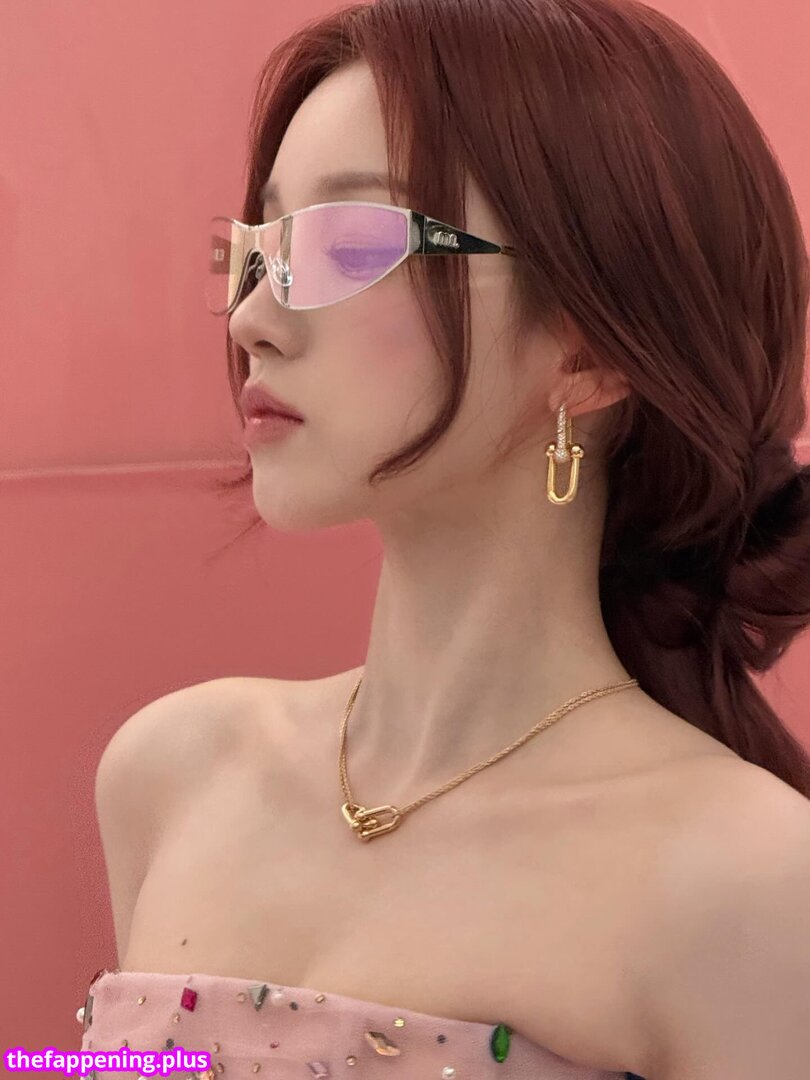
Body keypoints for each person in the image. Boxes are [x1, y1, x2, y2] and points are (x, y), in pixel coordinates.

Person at [83, 1, 810, 1077]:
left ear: (591, 353)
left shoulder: (746, 882)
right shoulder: (172, 775)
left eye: (348, 243)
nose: (251, 319)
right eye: (258, 250)